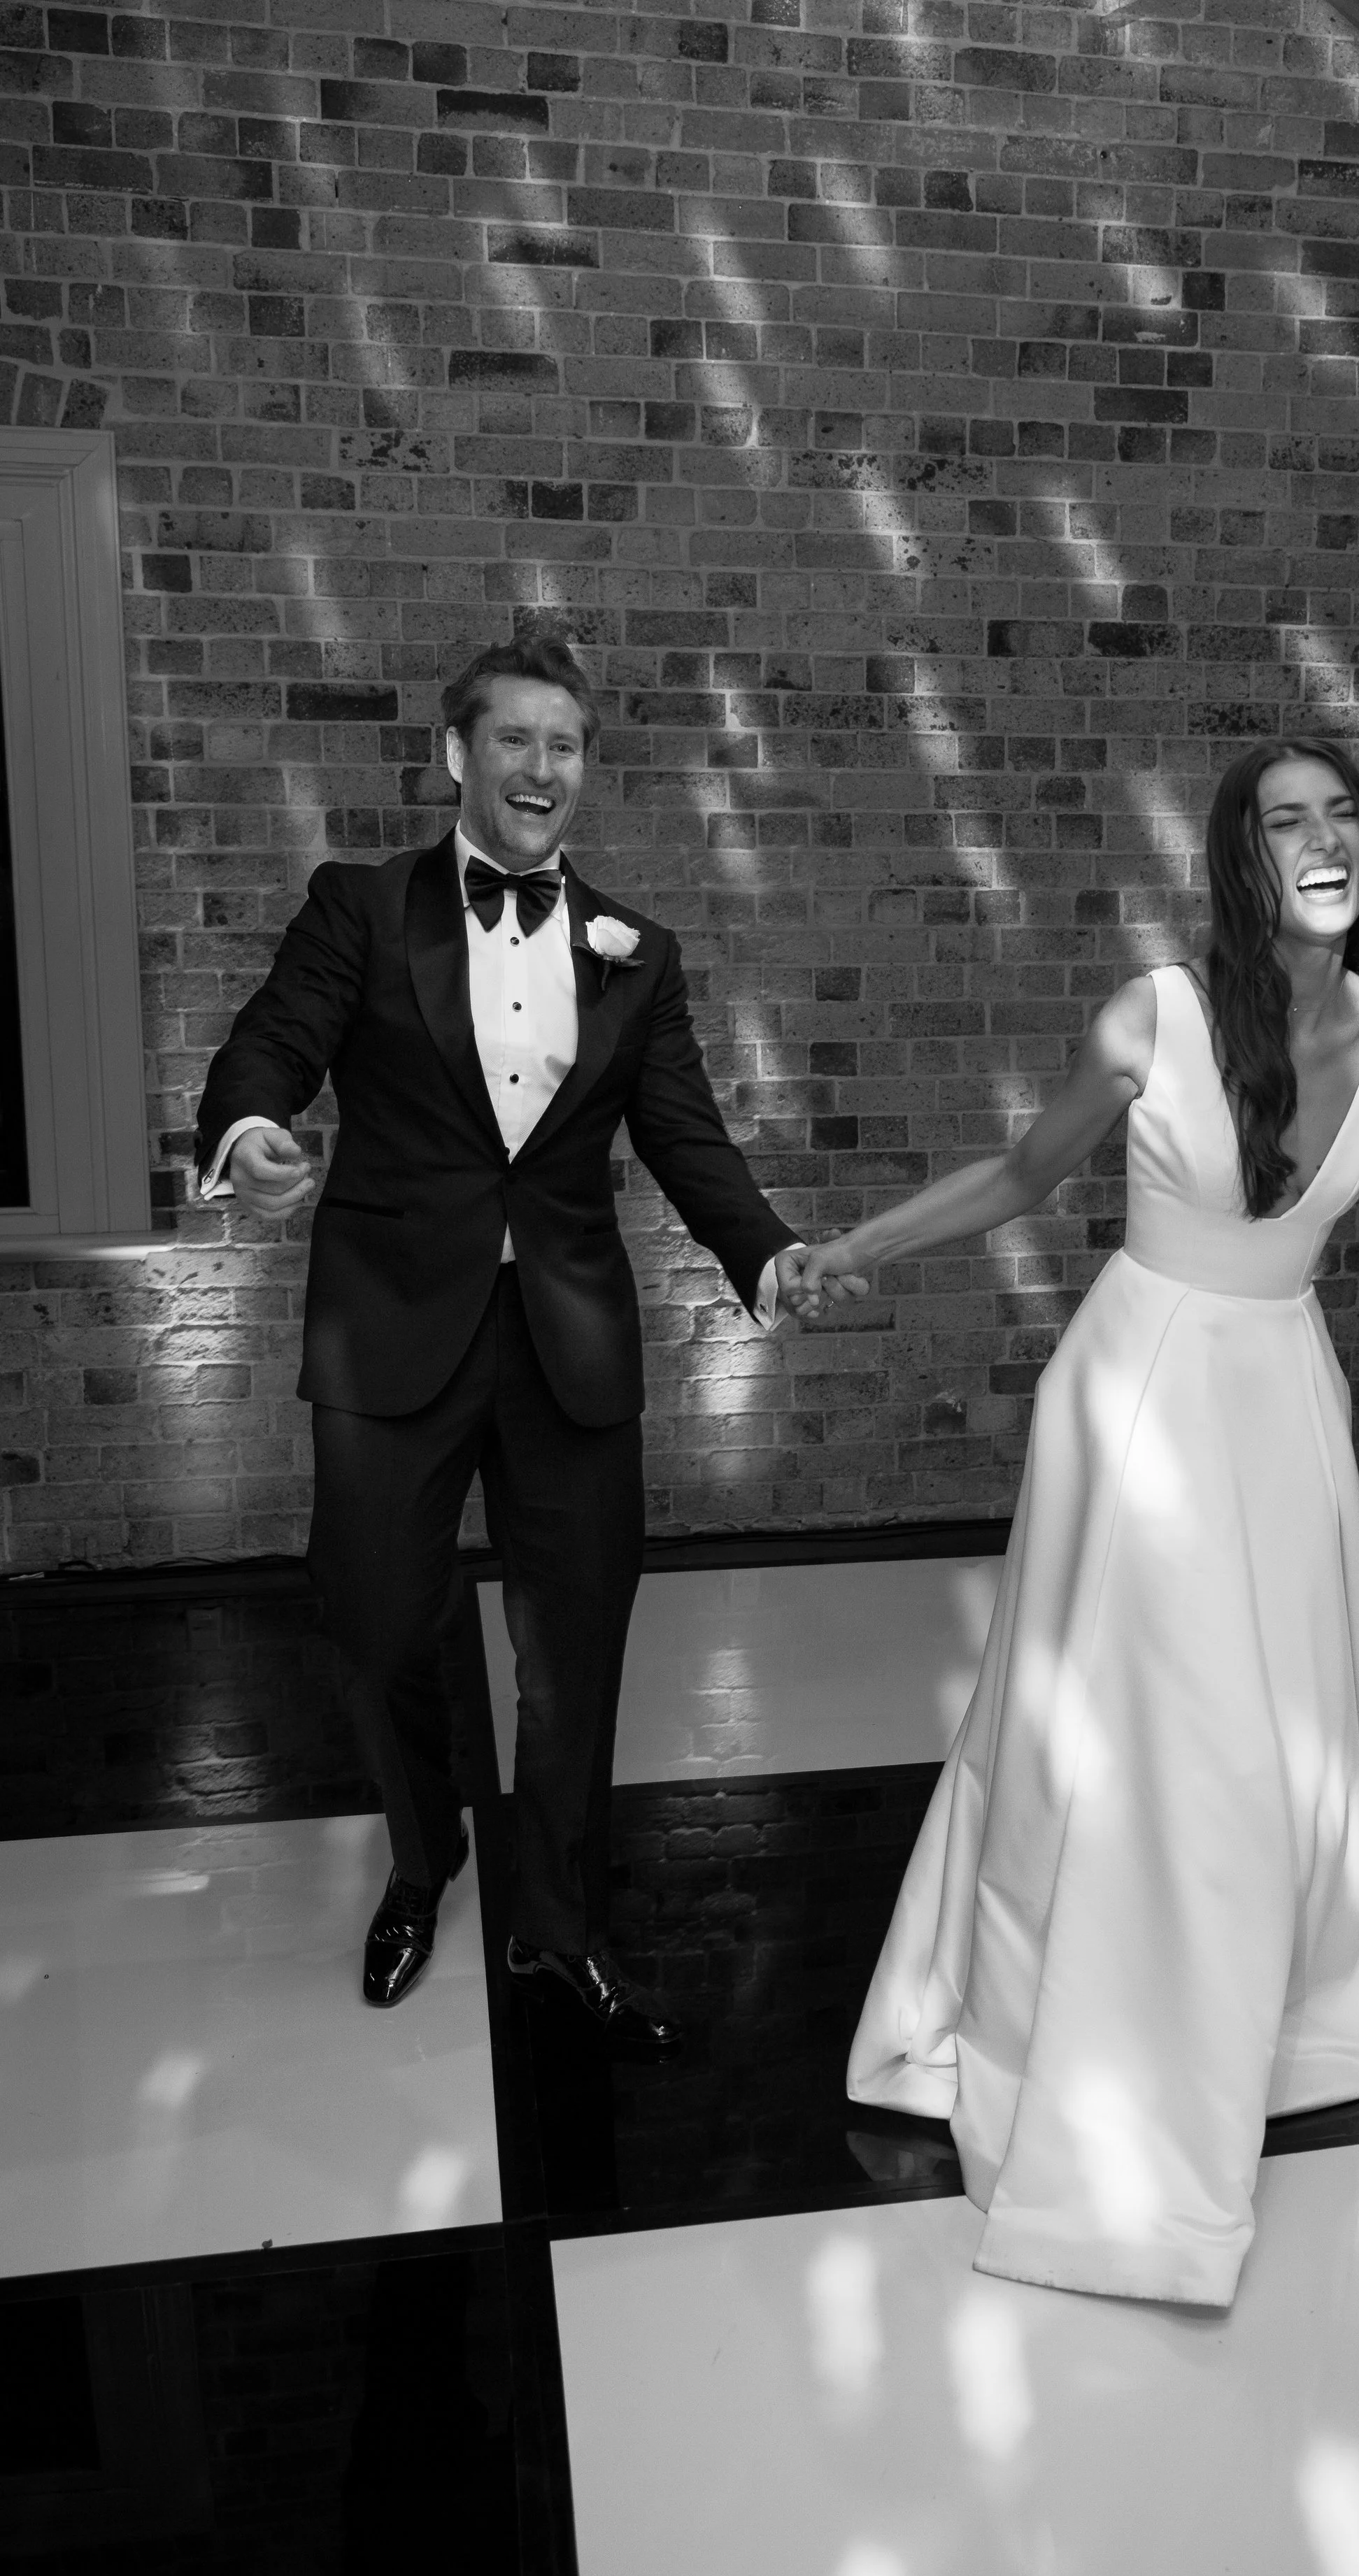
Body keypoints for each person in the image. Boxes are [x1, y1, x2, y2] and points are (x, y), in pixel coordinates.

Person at [797, 736, 1359, 2305]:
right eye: (1286, 820)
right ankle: (1093, 2025)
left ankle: (1232, 1987)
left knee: (1256, 1730)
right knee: (1130, 1724)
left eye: (1341, 814)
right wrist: (851, 1249)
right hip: (1133, 1399)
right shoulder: (1156, 1013)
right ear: (1239, 858)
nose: (1321, 839)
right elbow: (1018, 1173)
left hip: (1274, 1405)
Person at [196, 634, 828, 2042]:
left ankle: (560, 1922)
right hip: (389, 1338)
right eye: (516, 740)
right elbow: (272, 1042)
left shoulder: (635, 953)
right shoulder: (361, 910)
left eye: (567, 745)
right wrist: (251, 1129)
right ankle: (425, 1863)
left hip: (569, 1347)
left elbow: (683, 1136)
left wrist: (763, 1252)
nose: (543, 767)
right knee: (374, 1626)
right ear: (456, 757)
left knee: (577, 1648)